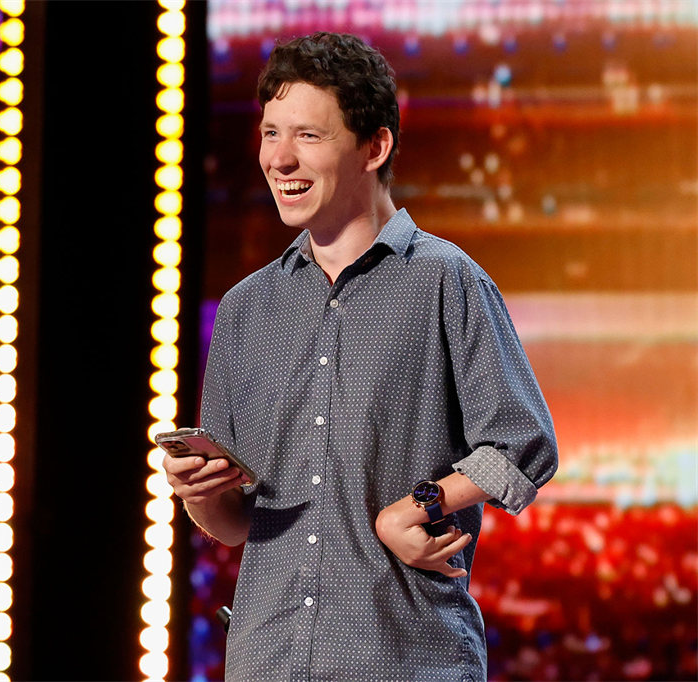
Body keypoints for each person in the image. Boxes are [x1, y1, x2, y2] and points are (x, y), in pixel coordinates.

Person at [163, 32, 558, 682]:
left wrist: (416, 506)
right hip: (268, 661)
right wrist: (199, 496)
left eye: (309, 137)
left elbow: (523, 443)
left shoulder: (446, 281)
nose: (280, 159)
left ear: (375, 147)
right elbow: (234, 526)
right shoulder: (243, 309)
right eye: (270, 133)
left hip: (405, 661)